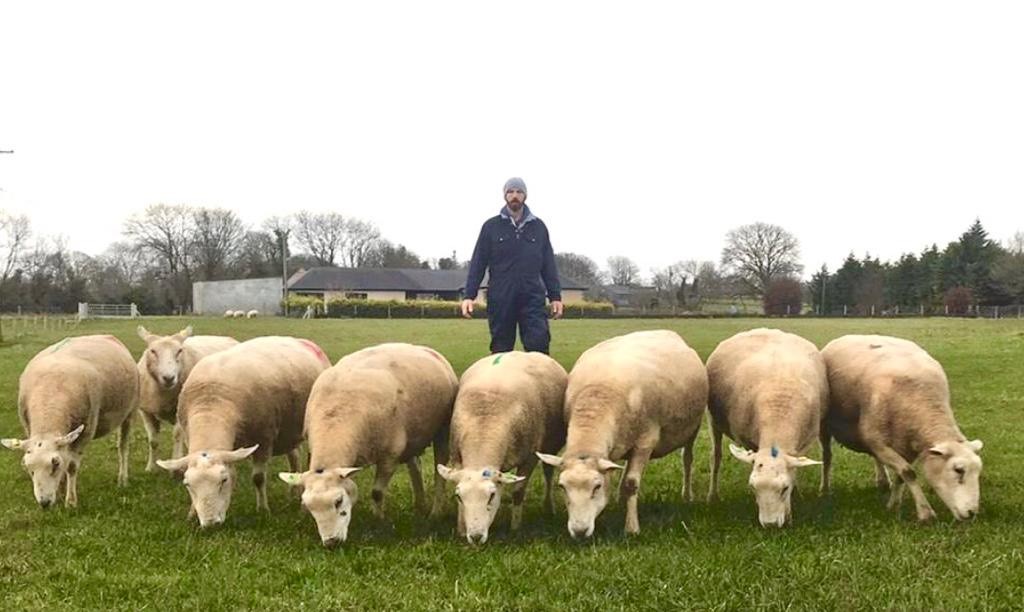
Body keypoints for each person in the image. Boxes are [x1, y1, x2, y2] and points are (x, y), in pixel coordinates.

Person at [461, 177, 563, 354]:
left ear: (525, 196)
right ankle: (499, 381)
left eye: (519, 192)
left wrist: (555, 296)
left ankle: (540, 381)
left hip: (532, 295)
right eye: (510, 192)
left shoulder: (539, 227)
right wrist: (469, 295)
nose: (514, 196)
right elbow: (478, 262)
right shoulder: (491, 227)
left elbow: (548, 264)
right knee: (501, 346)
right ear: (504, 195)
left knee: (538, 343)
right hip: (501, 295)